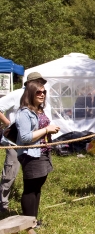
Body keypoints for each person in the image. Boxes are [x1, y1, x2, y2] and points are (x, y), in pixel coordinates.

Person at [0, 72, 48, 213]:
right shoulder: (17, 95)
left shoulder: (38, 97)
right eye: (38, 82)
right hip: (16, 143)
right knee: (10, 173)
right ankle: (2, 204)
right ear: (29, 84)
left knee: (33, 180)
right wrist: (10, 125)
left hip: (33, 145)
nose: (41, 87)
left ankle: (31, 214)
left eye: (42, 84)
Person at [16, 77, 60, 220]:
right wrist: (47, 130)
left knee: (37, 187)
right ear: (30, 94)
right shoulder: (24, 113)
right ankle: (28, 223)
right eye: (38, 92)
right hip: (31, 155)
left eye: (44, 92)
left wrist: (50, 131)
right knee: (30, 189)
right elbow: (25, 138)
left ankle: (33, 220)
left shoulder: (39, 110)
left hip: (43, 152)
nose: (42, 94)